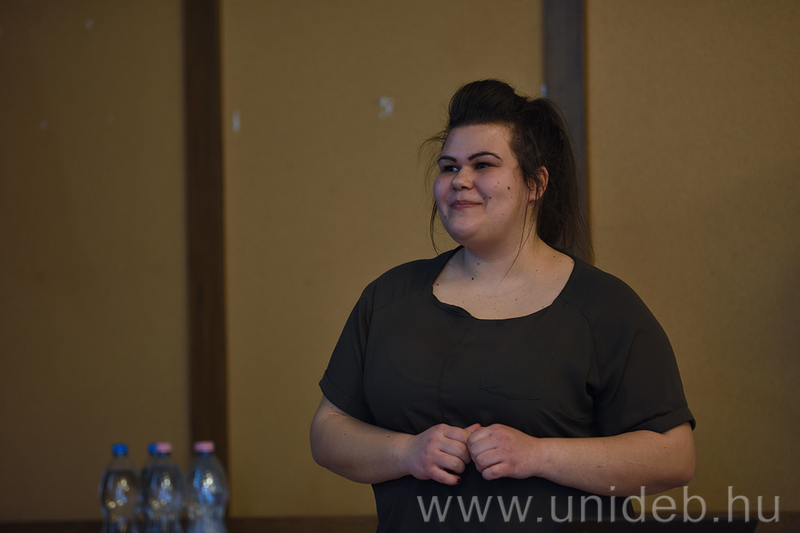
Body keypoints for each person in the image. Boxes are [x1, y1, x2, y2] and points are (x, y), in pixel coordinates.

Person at [310, 79, 695, 532]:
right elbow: (328, 430)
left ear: (535, 183)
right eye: (449, 167)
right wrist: (406, 452)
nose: (460, 180)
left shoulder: (604, 307)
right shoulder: (389, 297)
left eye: (483, 164)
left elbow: (674, 457)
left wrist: (538, 454)